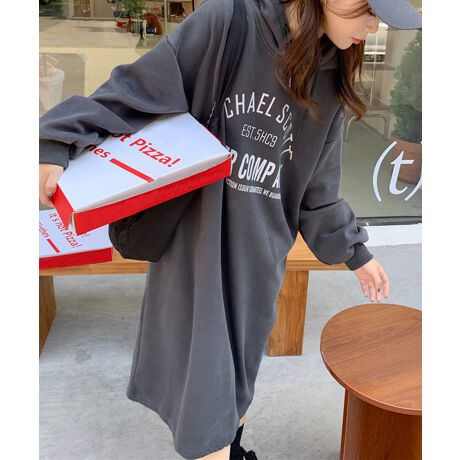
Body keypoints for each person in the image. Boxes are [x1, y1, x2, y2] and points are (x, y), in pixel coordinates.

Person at [38, 0, 421, 459]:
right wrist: (55, 141)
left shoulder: (331, 75)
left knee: (238, 378)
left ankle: (233, 450)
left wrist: (356, 252)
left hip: (259, 259)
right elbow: (134, 91)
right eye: (370, 9)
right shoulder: (230, 22)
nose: (374, 26)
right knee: (208, 393)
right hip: (198, 246)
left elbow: (317, 191)